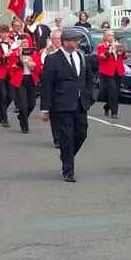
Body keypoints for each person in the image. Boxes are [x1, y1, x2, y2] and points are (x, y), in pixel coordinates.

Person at [40, 29, 95, 182]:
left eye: (78, 40)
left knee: (81, 134)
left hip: (80, 103)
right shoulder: (52, 59)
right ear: (65, 42)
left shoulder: (80, 56)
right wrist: (45, 109)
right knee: (66, 137)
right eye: (74, 40)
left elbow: (89, 77)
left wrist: (91, 95)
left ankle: (66, 155)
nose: (78, 43)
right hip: (61, 104)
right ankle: (68, 170)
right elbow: (46, 85)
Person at [9, 37, 42, 133]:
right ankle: (24, 126)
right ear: (19, 43)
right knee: (23, 104)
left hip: (32, 80)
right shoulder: (14, 54)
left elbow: (39, 69)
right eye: (23, 42)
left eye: (27, 42)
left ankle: (22, 116)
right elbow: (11, 69)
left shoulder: (34, 54)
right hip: (20, 80)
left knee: (32, 104)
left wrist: (34, 65)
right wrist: (20, 62)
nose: (25, 44)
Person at [97, 30, 127, 119]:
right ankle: (114, 111)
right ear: (106, 37)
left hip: (118, 70)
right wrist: (110, 51)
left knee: (117, 91)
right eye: (110, 35)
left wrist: (122, 50)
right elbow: (100, 57)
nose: (112, 37)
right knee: (112, 90)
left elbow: (124, 57)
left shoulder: (118, 44)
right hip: (107, 71)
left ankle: (107, 106)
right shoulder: (102, 46)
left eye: (113, 35)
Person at [41, 28, 62, 147]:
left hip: (63, 85)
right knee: (54, 114)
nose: (58, 41)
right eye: (55, 39)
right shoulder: (47, 51)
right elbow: (43, 62)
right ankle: (57, 138)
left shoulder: (68, 50)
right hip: (52, 82)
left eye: (59, 38)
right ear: (51, 40)